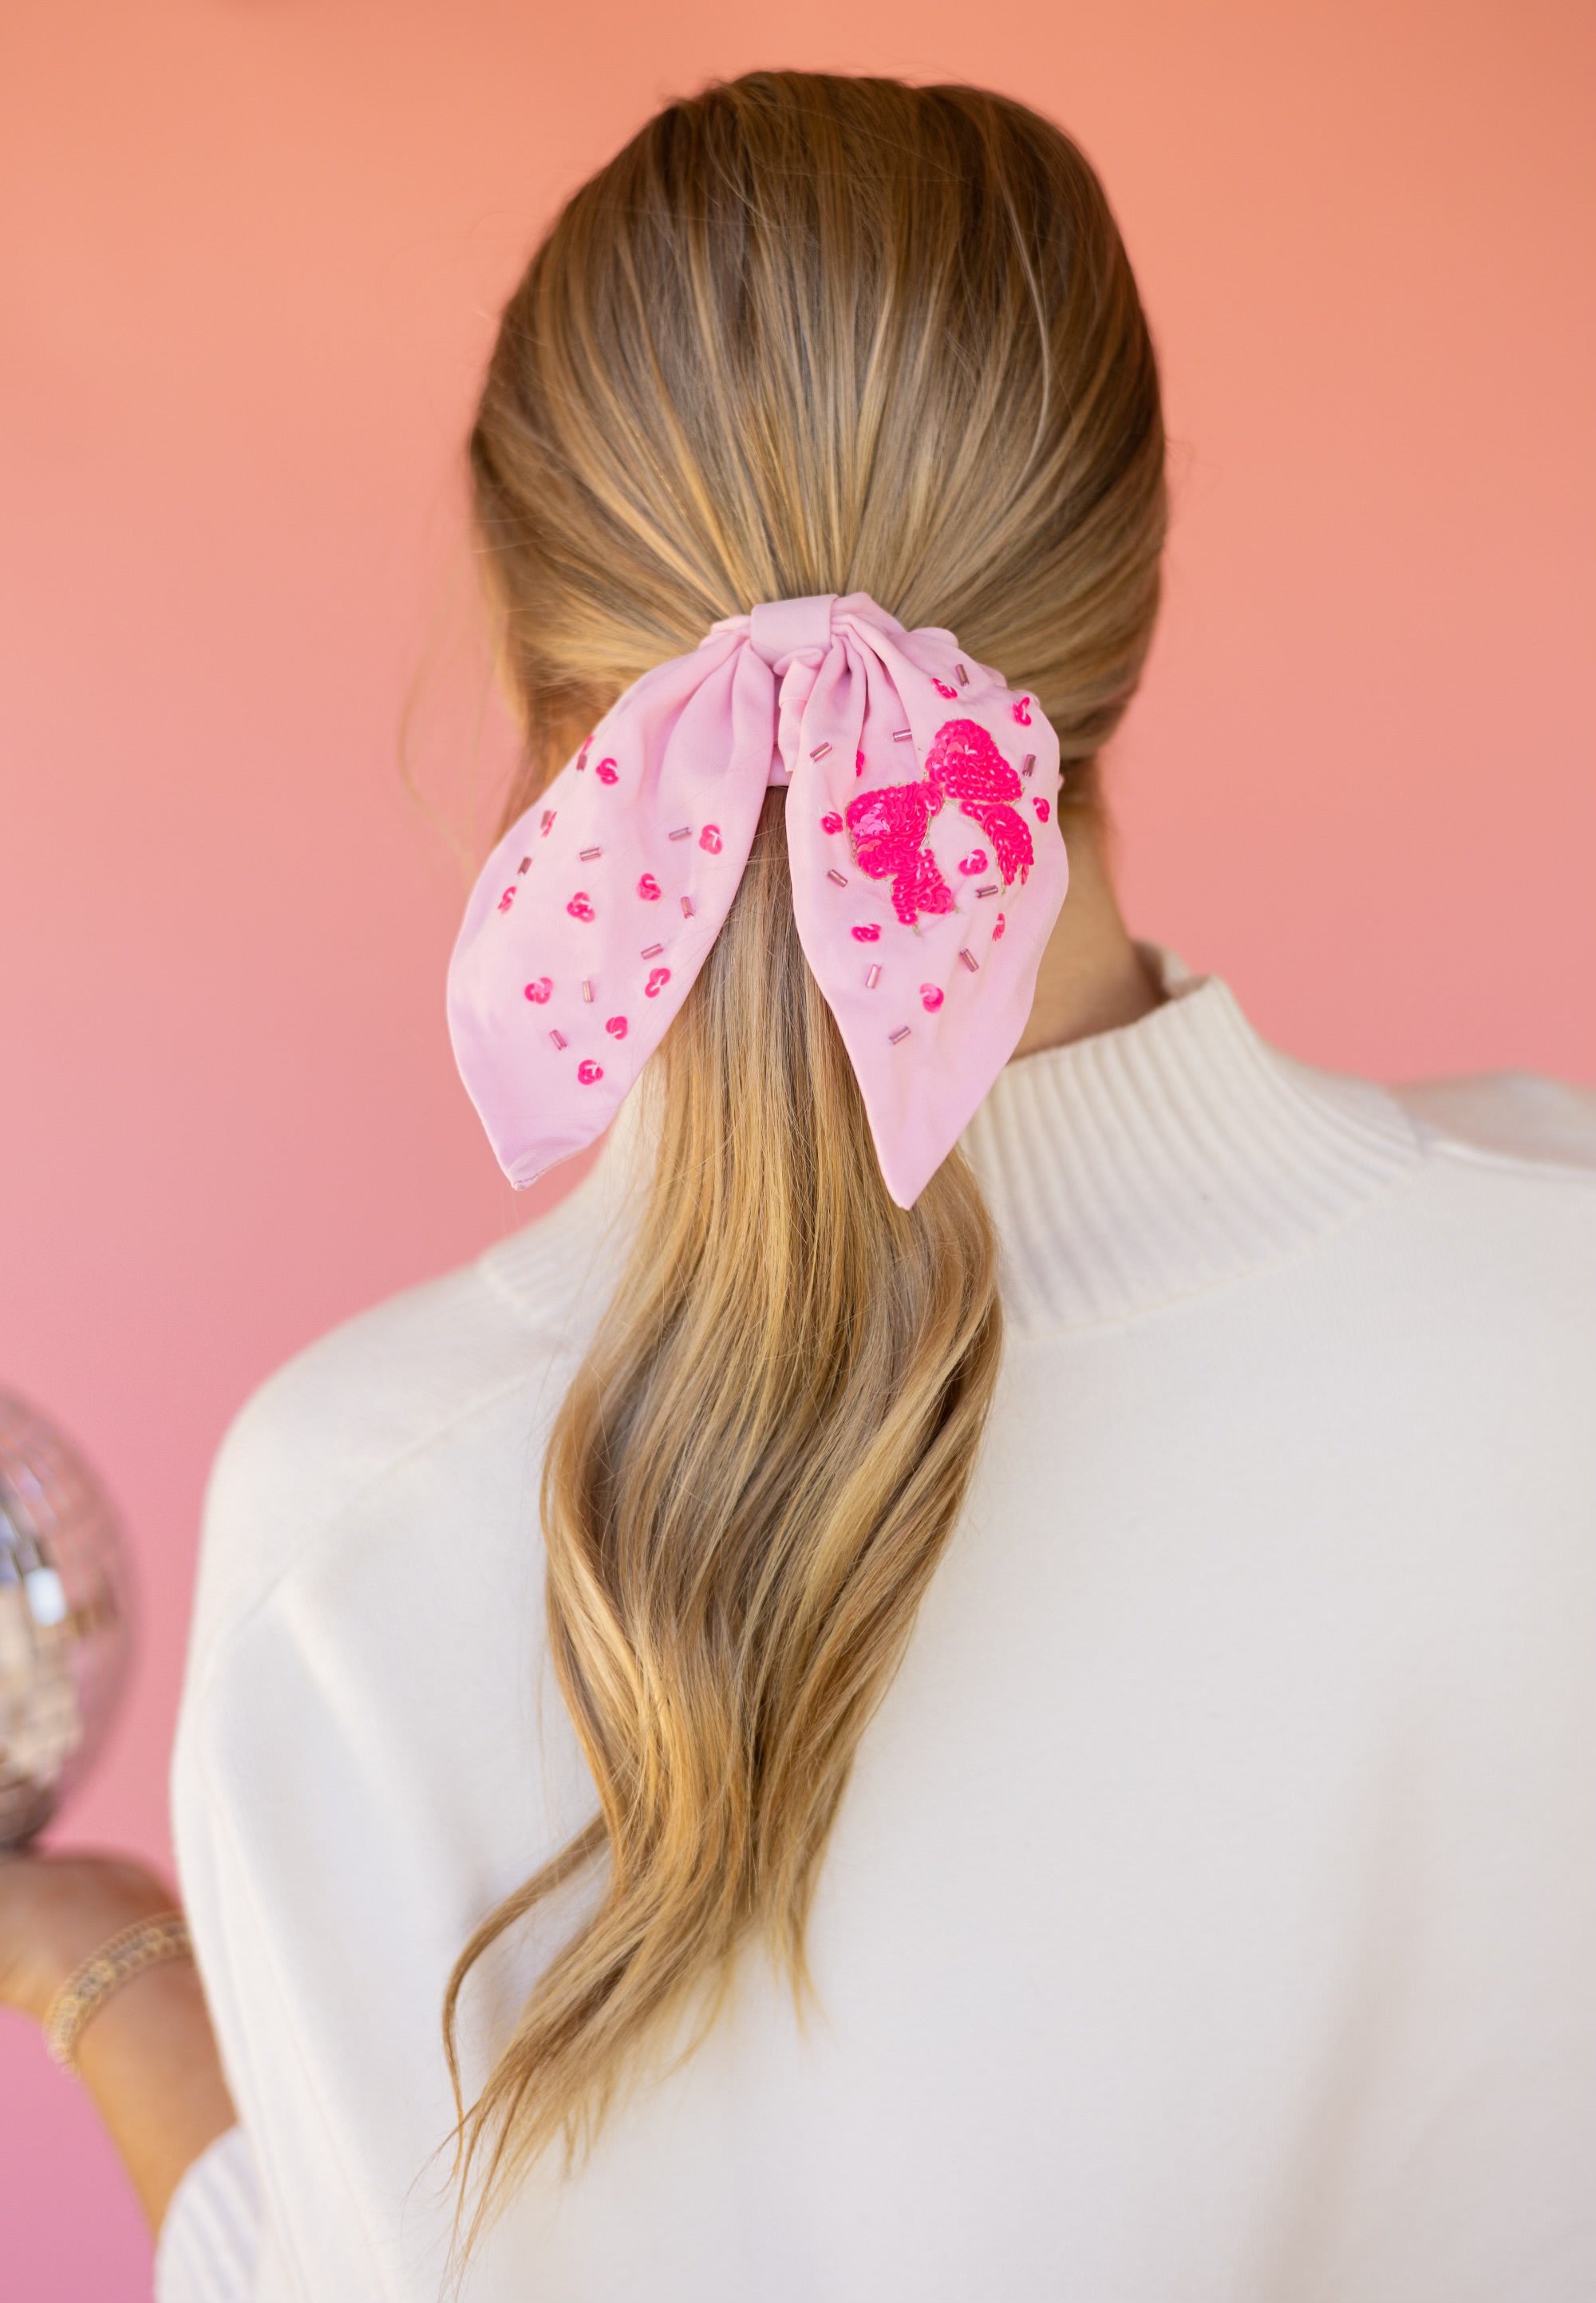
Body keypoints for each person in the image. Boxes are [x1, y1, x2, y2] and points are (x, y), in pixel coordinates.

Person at [4, 69, 1594, 2303]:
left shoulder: (352, 1535)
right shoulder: (1563, 1318)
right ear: (1125, 578)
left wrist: (105, 1985)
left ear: (538, 660)